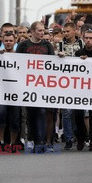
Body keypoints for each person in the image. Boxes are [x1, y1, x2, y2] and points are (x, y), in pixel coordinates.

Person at [16, 22, 56, 152]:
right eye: (39, 31)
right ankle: (32, 139)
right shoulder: (23, 45)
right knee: (31, 114)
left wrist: (59, 58)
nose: (42, 33)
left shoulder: (47, 45)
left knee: (42, 112)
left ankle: (40, 141)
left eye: (43, 31)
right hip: (28, 86)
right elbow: (15, 62)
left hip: (42, 86)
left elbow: (53, 63)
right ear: (32, 32)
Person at [74, 28, 92, 151]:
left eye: (91, 38)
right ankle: (81, 137)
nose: (88, 40)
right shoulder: (78, 54)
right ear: (82, 38)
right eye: (86, 38)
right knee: (78, 114)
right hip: (81, 89)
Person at [56, 22, 84, 150]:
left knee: (78, 112)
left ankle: (79, 135)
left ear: (74, 31)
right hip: (65, 82)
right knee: (66, 112)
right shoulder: (59, 45)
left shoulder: (82, 44)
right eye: (64, 31)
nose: (65, 34)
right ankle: (68, 138)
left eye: (68, 31)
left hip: (80, 82)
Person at [0, 32, 21, 151]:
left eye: (11, 40)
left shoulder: (20, 56)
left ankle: (12, 143)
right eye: (6, 41)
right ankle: (1, 141)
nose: (8, 43)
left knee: (15, 119)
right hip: (1, 92)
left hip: (16, 93)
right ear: (3, 41)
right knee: (0, 115)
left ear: (14, 41)